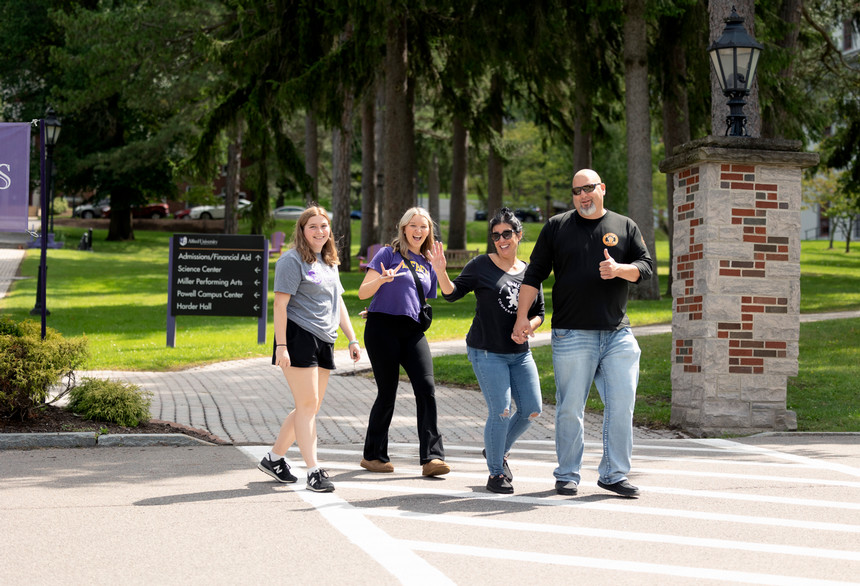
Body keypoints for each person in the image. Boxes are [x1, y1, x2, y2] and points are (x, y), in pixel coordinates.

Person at [513, 169, 654, 498]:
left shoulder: (624, 226)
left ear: (602, 188)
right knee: (570, 407)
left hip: (617, 333)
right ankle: (567, 474)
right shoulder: (557, 227)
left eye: (588, 188)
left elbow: (645, 266)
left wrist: (621, 270)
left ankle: (614, 474)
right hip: (572, 333)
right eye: (576, 191)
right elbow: (534, 274)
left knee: (622, 406)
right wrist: (522, 316)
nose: (582, 196)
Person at [429, 208, 544, 494]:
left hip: (520, 352)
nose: (501, 240)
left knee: (531, 409)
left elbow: (540, 312)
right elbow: (452, 293)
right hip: (487, 351)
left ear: (519, 235)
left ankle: (495, 449)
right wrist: (441, 272)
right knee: (501, 411)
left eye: (507, 234)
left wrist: (529, 326)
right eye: (496, 235)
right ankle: (496, 473)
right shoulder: (481, 265)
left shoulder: (530, 271)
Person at [257, 206, 361, 493]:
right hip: (298, 337)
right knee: (307, 405)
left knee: (310, 406)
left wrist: (351, 338)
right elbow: (280, 305)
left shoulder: (329, 260)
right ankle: (314, 471)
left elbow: (337, 302)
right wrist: (281, 346)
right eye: (312, 226)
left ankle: (274, 458)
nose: (319, 231)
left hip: (325, 339)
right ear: (302, 230)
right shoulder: (291, 261)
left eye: (324, 226)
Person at [358, 207, 451, 477]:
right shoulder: (388, 254)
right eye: (414, 225)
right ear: (403, 228)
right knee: (387, 392)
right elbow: (364, 292)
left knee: (426, 387)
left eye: (424, 226)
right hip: (381, 328)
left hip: (412, 331)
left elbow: (438, 294)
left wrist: (439, 268)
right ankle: (373, 456)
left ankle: (432, 458)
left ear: (429, 231)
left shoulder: (427, 261)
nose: (419, 231)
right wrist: (382, 280)